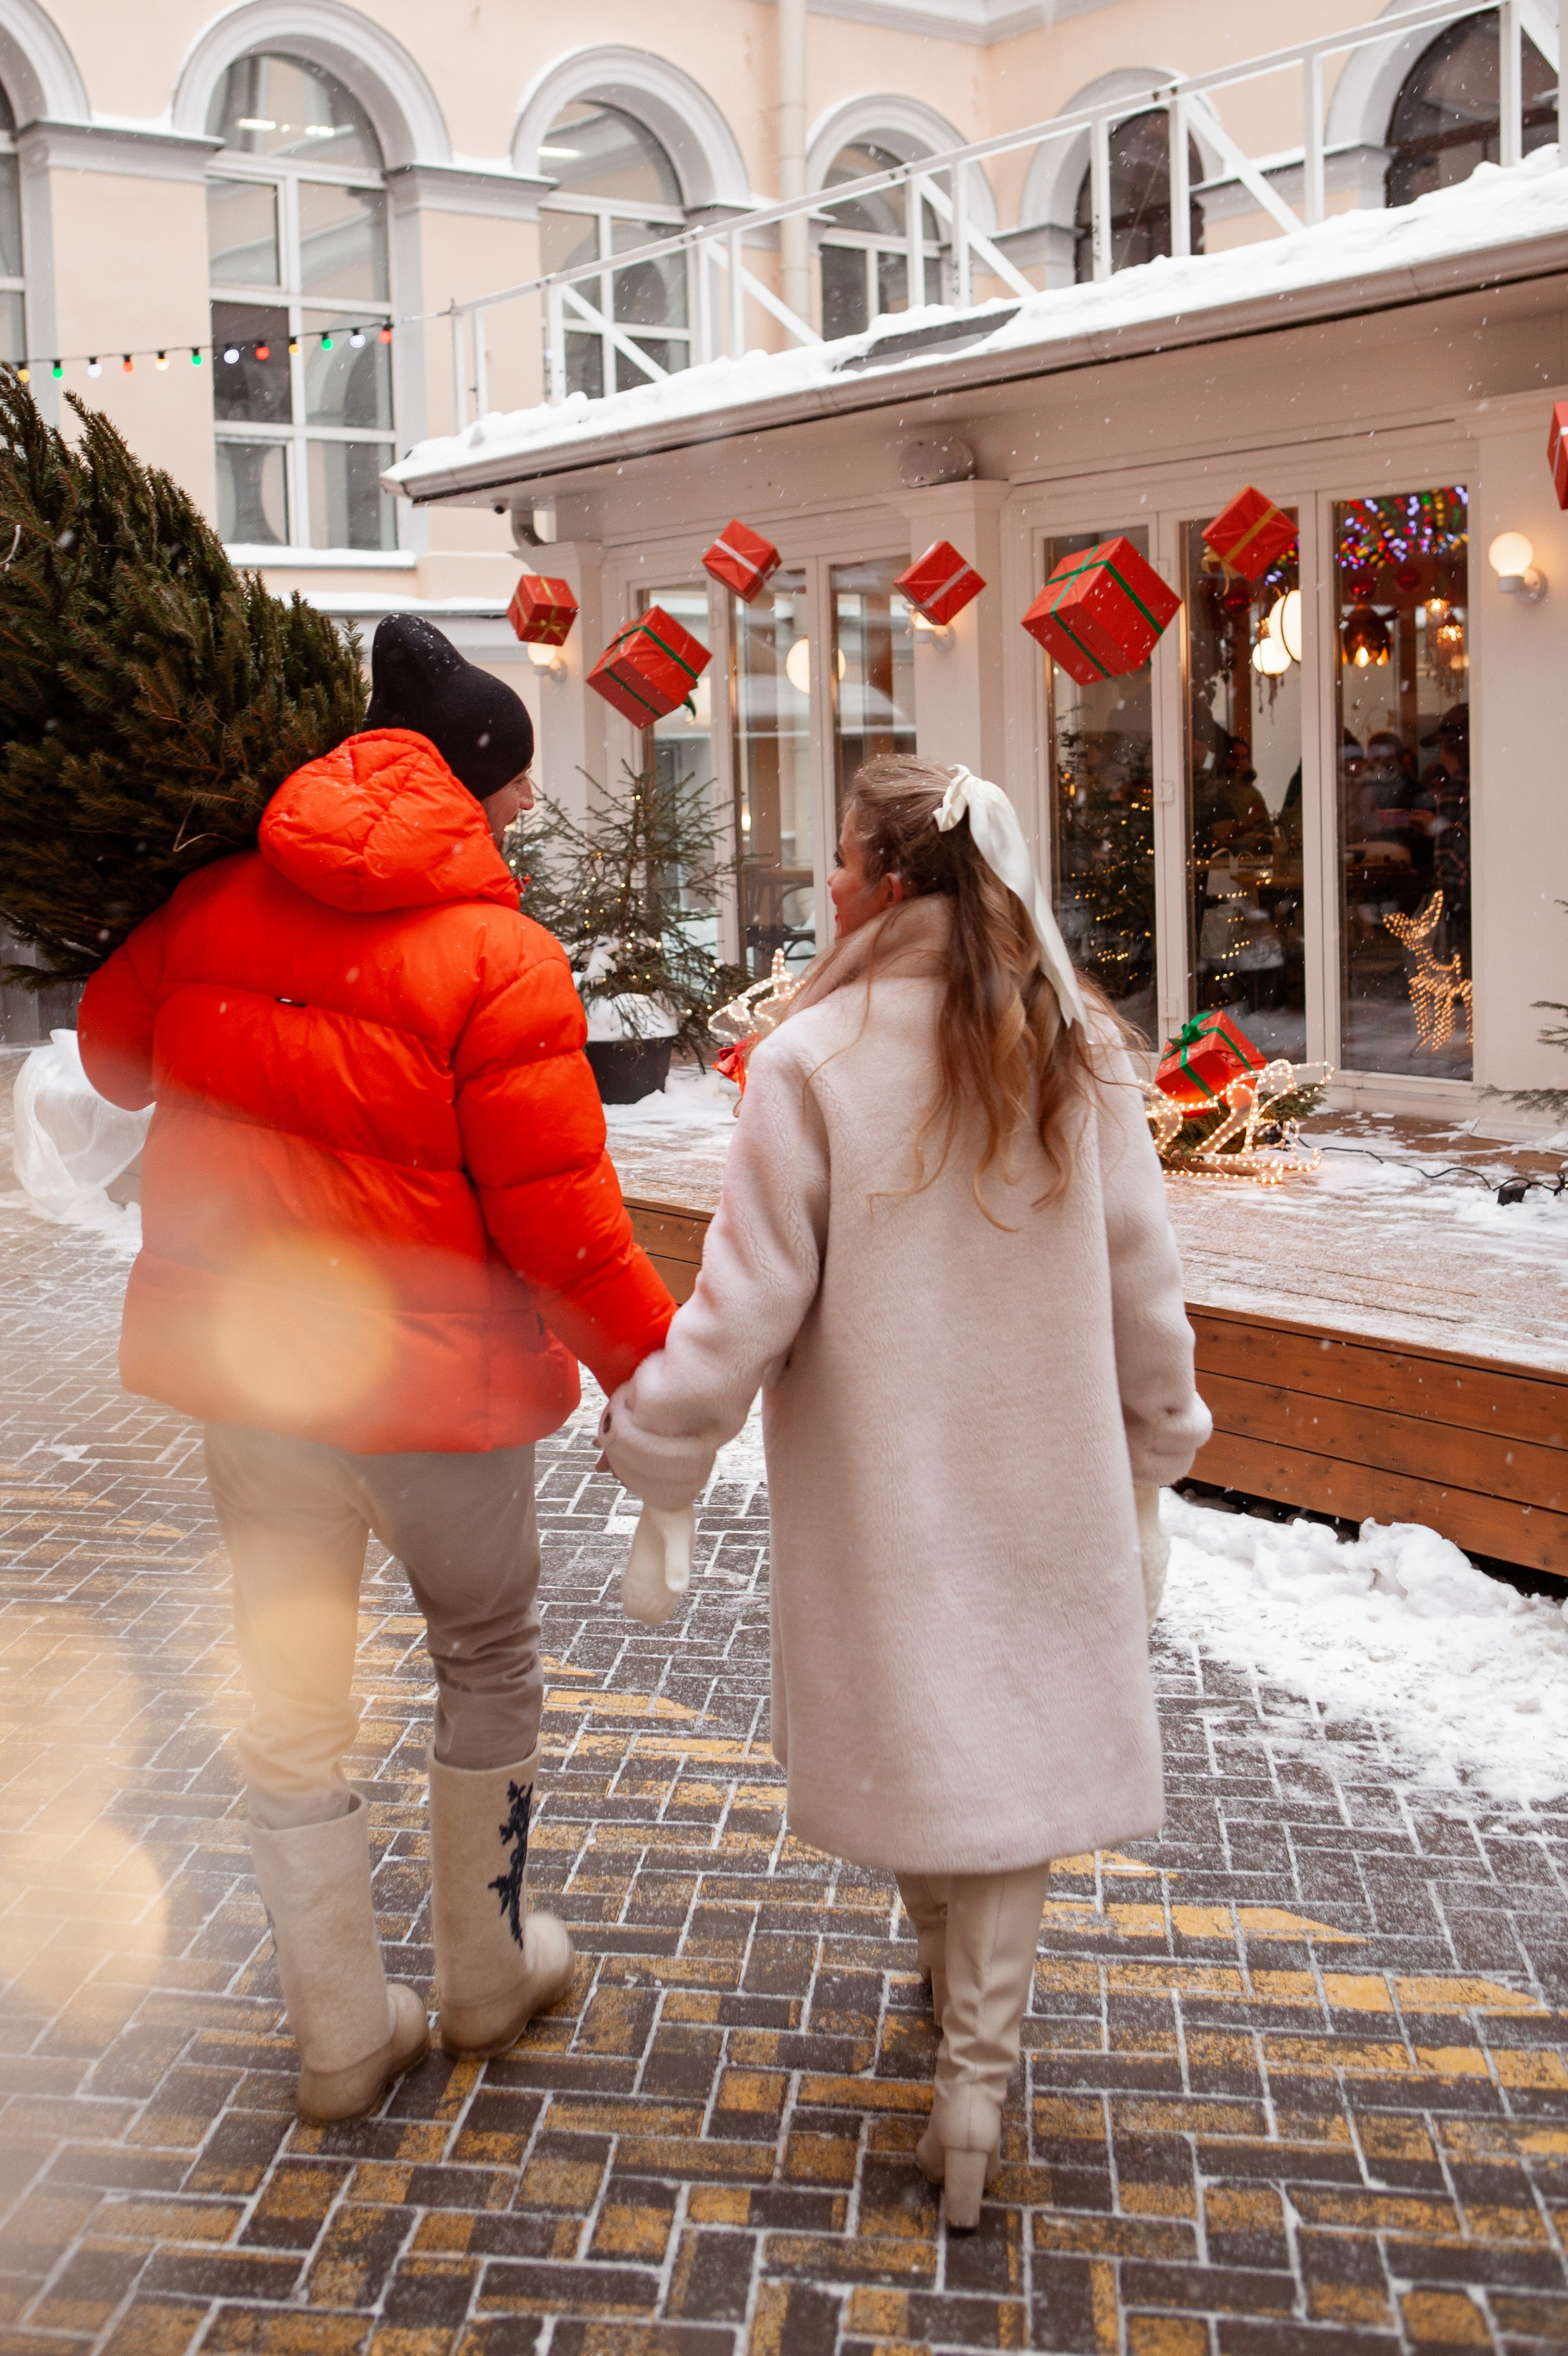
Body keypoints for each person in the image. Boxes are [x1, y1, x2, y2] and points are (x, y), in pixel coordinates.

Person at [599, 754, 1209, 2232]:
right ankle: (974, 2086)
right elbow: (1145, 1289)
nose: (819, 883)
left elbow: (739, 1310)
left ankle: (957, 2048)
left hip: (881, 1504)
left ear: (882, 880)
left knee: (934, 1742)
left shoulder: (811, 1063)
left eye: (833, 859)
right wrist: (1153, 1456)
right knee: (1002, 1783)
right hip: (1045, 1492)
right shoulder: (1078, 1049)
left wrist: (661, 1463)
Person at [79, 614, 674, 2123]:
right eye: (518, 792)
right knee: (484, 1658)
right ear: (466, 787)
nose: (529, 815)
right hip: (434, 1403)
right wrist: (656, 1378)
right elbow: (563, 1228)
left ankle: (340, 2034)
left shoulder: (212, 900)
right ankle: (482, 1978)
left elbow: (108, 1056)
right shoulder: (496, 959)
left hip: (253, 1387)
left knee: (289, 1694)